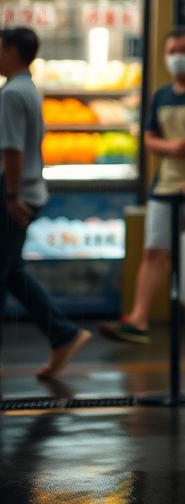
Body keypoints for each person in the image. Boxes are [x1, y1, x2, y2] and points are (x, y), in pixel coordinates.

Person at [100, 29, 185, 344]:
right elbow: (148, 138)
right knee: (154, 251)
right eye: (172, 50)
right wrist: (170, 146)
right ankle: (139, 319)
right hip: (166, 185)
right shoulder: (161, 95)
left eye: (183, 50)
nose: (177, 56)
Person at [0, 27, 91, 379]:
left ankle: (63, 334)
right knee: (10, 272)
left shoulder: (11, 94)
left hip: (15, 195)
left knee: (3, 272)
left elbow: (11, 149)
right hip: (31, 190)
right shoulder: (29, 90)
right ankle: (63, 334)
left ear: (12, 52)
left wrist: (10, 196)